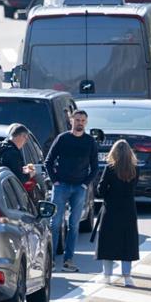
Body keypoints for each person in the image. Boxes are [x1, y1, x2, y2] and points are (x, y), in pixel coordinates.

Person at [45, 110, 100, 273]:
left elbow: (95, 167)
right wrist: (55, 180)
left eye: (83, 120)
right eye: (77, 120)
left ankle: (68, 260)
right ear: (71, 121)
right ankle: (51, 260)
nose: (80, 122)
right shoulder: (62, 138)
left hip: (79, 188)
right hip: (60, 186)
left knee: (74, 225)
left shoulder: (90, 142)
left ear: (86, 122)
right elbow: (48, 161)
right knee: (55, 224)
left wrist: (85, 184)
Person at [96, 140, 140, 287]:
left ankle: (107, 275)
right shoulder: (135, 169)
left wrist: (108, 192)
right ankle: (127, 276)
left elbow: (101, 190)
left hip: (111, 208)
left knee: (108, 242)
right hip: (128, 208)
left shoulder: (110, 169)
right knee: (127, 242)